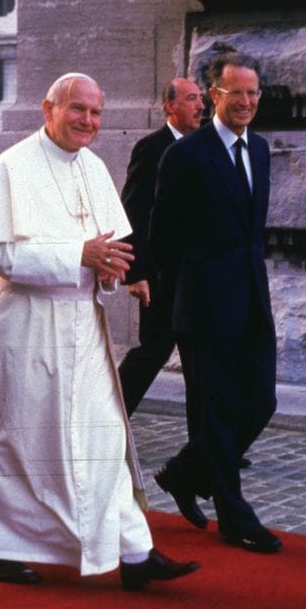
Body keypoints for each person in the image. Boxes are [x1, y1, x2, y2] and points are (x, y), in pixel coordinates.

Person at [0, 72, 199, 590]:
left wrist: (110, 273)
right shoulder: (11, 167)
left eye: (96, 112)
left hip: (81, 322)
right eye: (77, 109)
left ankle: (133, 549)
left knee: (104, 434)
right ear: (49, 108)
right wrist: (77, 256)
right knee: (15, 439)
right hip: (23, 323)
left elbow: (104, 248)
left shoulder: (93, 167)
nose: (88, 121)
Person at [149, 52, 281, 554]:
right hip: (203, 306)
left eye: (253, 93)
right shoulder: (185, 155)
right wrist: (182, 292)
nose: (246, 102)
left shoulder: (262, 149)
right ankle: (235, 515)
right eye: (235, 93)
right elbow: (162, 238)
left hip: (251, 299)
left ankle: (184, 473)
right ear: (212, 97)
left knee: (260, 401)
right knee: (216, 414)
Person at [117, 78, 204, 418]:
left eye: (201, 99)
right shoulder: (151, 148)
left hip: (200, 276)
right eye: (191, 99)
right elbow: (132, 213)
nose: (200, 106)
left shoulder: (207, 147)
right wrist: (135, 273)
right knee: (152, 351)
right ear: (170, 106)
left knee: (203, 364)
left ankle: (209, 448)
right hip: (161, 278)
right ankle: (106, 427)